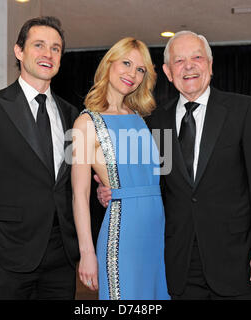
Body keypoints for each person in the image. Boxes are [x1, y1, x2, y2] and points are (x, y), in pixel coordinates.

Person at [98, 31, 251, 300]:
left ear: (209, 64)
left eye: (197, 57)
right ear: (168, 72)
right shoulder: (155, 122)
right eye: (179, 61)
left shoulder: (244, 110)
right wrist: (112, 189)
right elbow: (154, 182)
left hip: (237, 261)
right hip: (178, 264)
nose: (189, 66)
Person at [0, 16, 79, 300]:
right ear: (19, 51)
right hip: (5, 257)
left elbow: (73, 184)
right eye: (39, 45)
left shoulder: (74, 116)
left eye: (56, 48)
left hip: (61, 259)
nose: (48, 54)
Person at [71, 37, 169, 300]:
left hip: (155, 230)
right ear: (109, 64)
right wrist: (87, 253)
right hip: (122, 232)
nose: (132, 74)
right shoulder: (84, 123)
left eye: (140, 69)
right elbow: (79, 195)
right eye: (126, 63)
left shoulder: (141, 118)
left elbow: (158, 174)